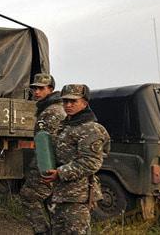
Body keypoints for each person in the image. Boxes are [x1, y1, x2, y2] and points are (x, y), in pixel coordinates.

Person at [42, 84, 110, 234]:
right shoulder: (66, 125)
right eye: (65, 101)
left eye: (73, 101)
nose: (68, 105)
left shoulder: (90, 129)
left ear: (85, 103)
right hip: (60, 193)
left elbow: (91, 162)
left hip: (78, 197)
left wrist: (60, 173)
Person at [20, 73, 66, 235]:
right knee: (51, 201)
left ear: (51, 89)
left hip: (48, 166)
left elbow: (46, 146)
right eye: (34, 88)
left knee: (28, 195)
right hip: (56, 166)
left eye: (41, 88)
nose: (36, 92)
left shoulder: (51, 112)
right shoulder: (52, 108)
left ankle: (42, 231)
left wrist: (42, 170)